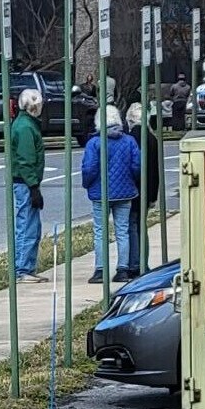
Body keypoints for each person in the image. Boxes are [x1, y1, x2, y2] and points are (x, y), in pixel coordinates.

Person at [81, 104, 140, 284]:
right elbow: (137, 166)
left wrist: (87, 184)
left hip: (100, 193)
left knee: (100, 231)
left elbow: (89, 168)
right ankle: (122, 269)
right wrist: (131, 181)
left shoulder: (94, 143)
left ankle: (100, 269)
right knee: (122, 231)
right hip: (125, 192)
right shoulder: (129, 141)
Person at [10, 88, 47, 284]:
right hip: (25, 183)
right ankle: (23, 268)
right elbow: (25, 160)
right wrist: (33, 187)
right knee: (27, 226)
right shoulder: (25, 127)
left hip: (26, 182)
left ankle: (25, 267)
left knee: (30, 224)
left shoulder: (27, 124)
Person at [125, 102, 161, 277]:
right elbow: (156, 170)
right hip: (147, 189)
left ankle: (133, 263)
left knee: (131, 225)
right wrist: (154, 195)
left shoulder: (129, 139)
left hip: (131, 188)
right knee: (142, 225)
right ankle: (143, 263)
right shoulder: (152, 138)